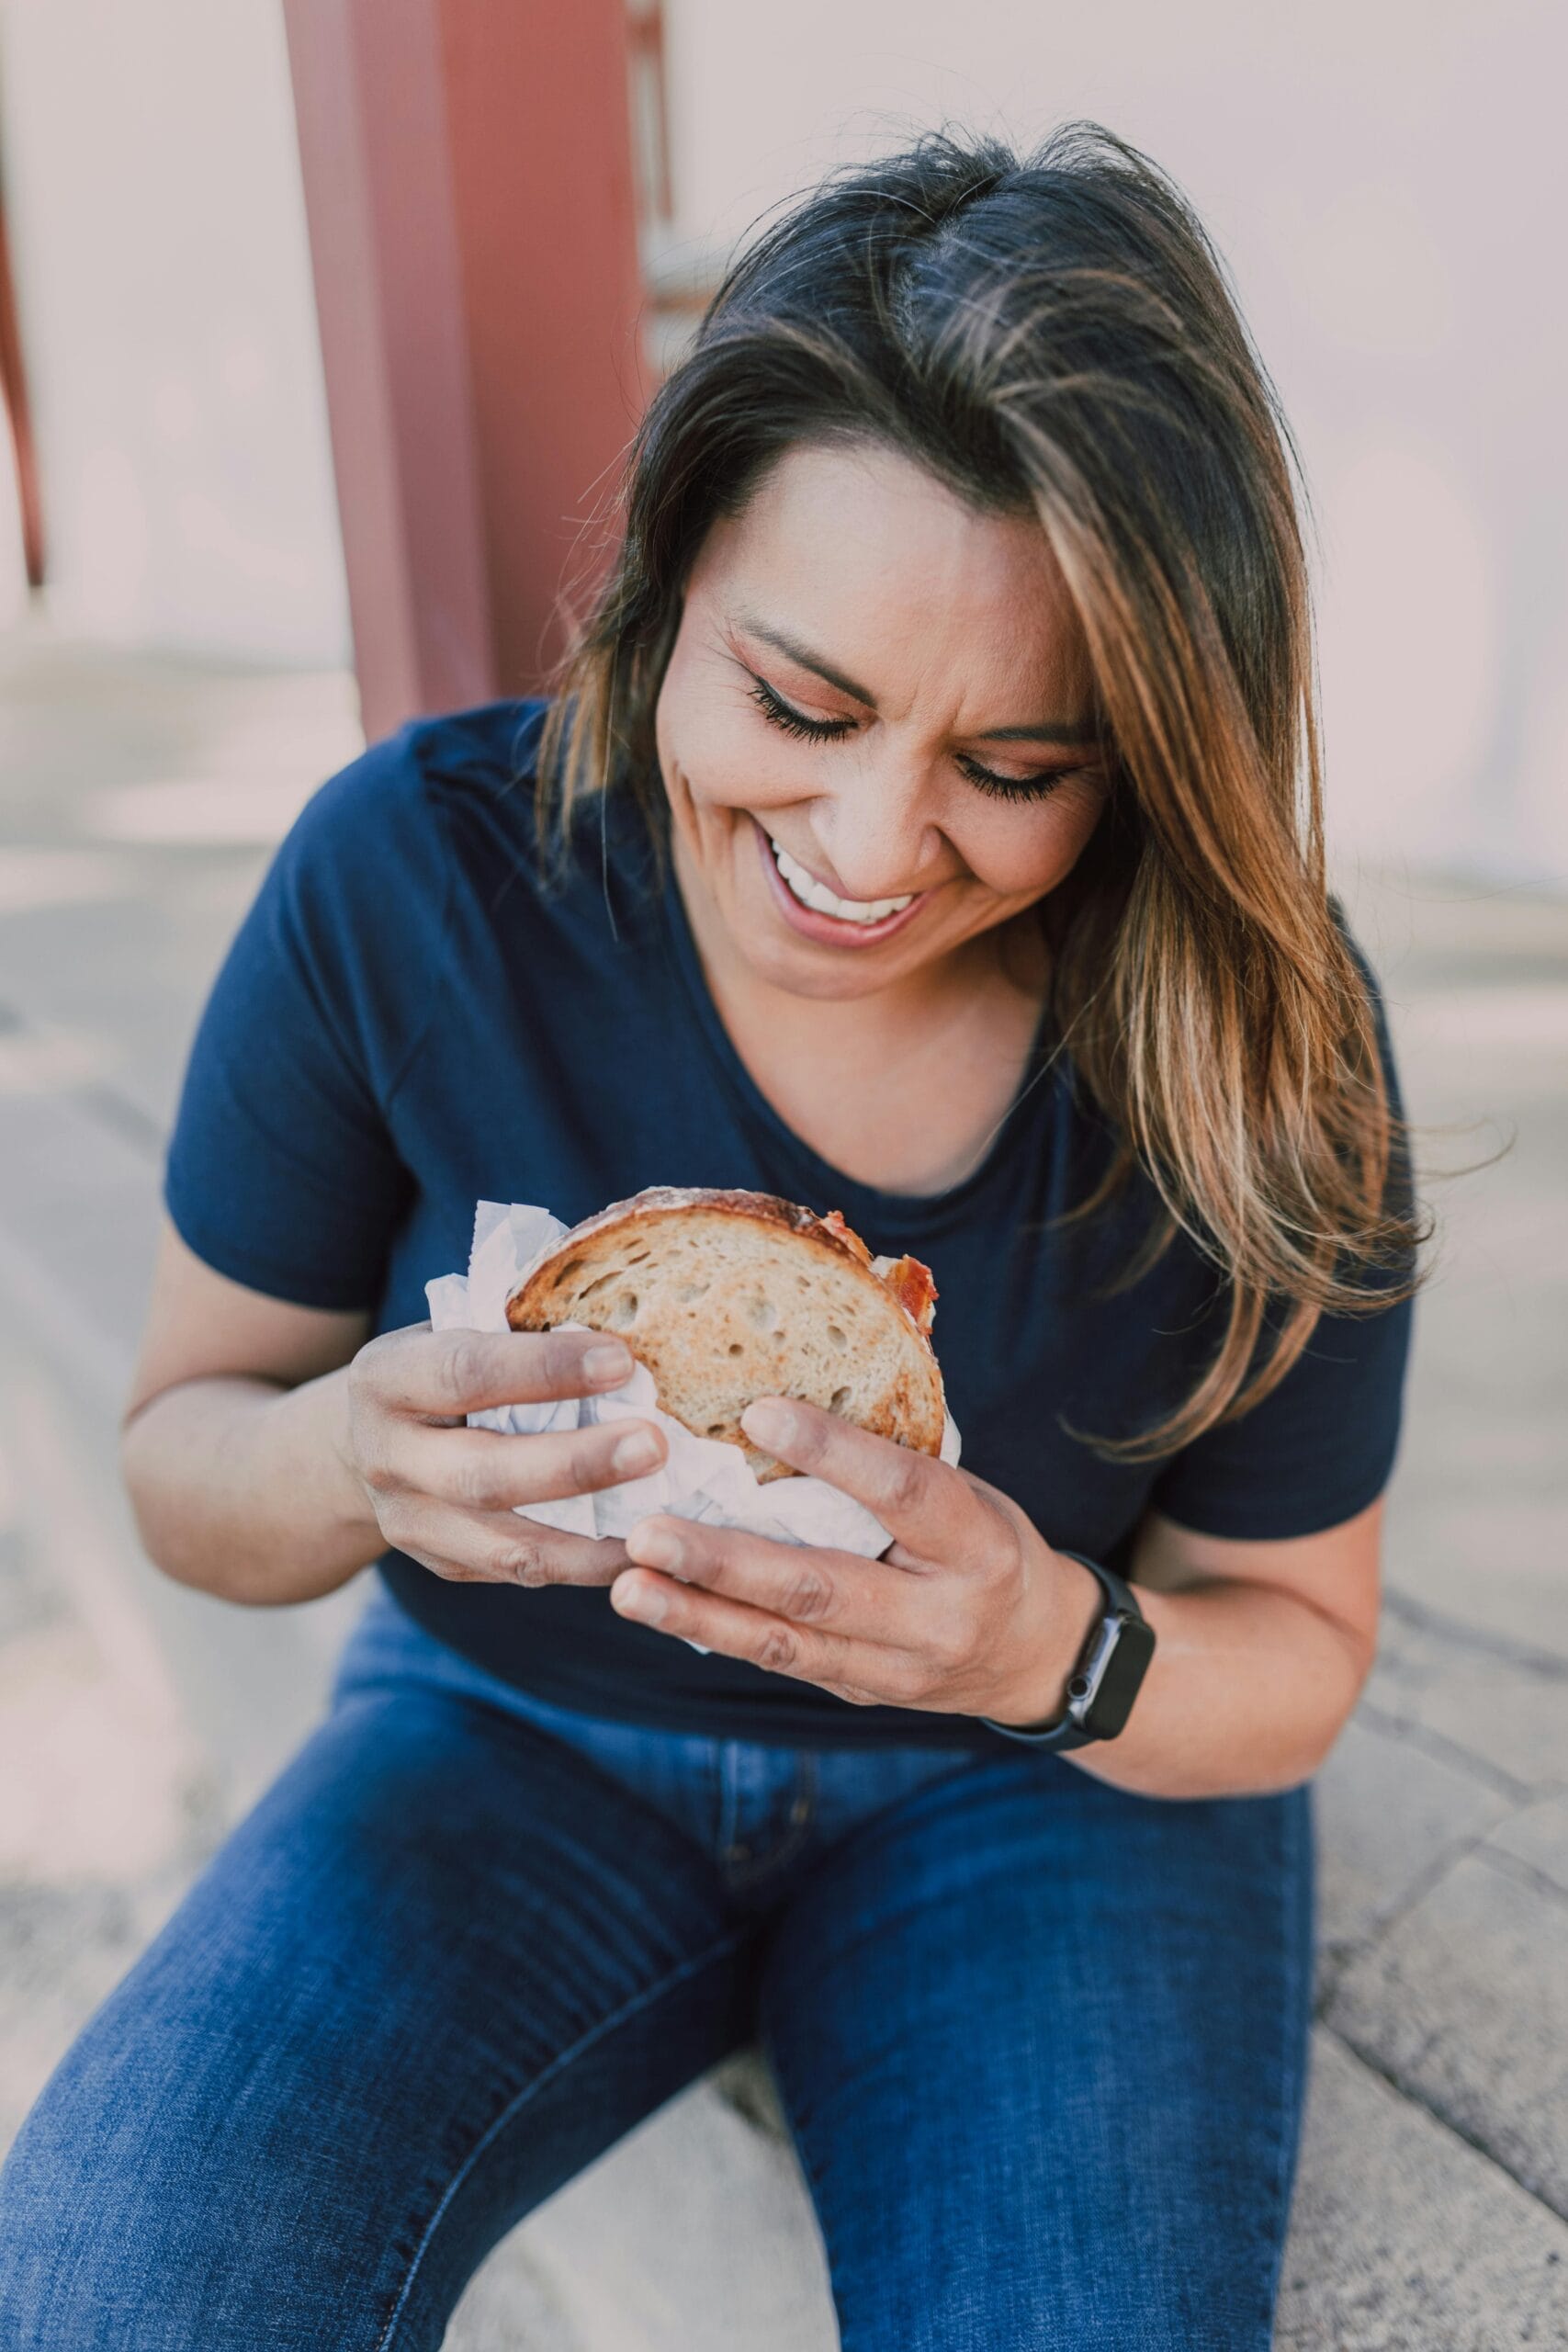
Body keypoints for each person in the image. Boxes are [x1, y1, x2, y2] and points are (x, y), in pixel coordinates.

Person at [0, 125, 1418, 2350]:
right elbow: (190, 1451)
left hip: (1036, 1798)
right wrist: (357, 1459)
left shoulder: (1253, 1033)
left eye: (1016, 766)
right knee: (115, 2285)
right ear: (664, 588)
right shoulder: (419, 881)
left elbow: (1290, 1647)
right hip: (507, 1734)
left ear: (1139, 753)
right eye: (799, 702)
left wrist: (1040, 1647)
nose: (870, 844)